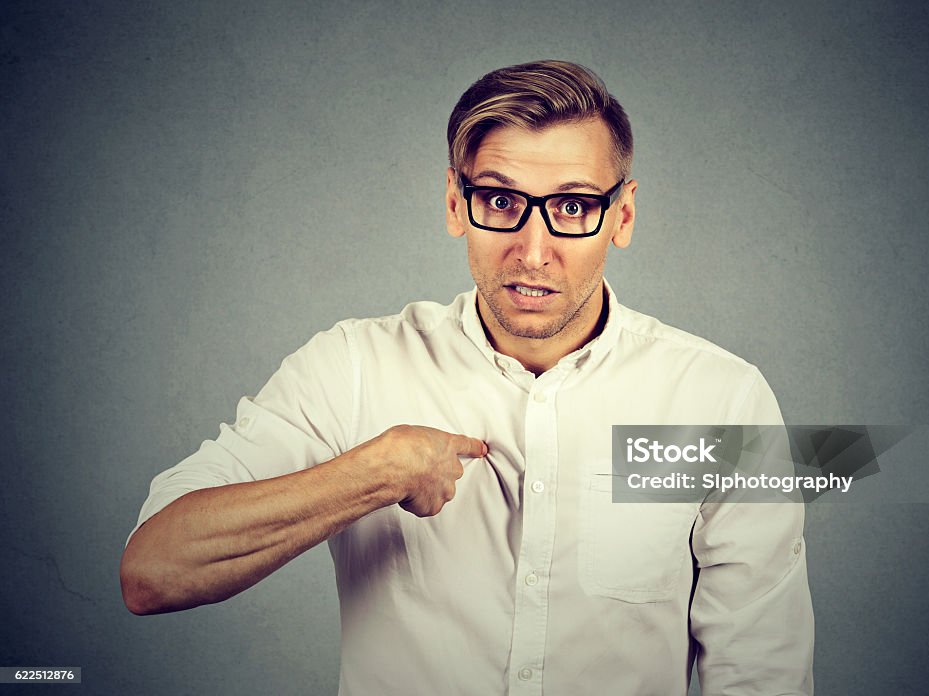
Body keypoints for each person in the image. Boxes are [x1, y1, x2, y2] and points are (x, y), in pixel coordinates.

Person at [121, 59, 814, 694]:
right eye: (502, 201)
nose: (533, 250)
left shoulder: (721, 399)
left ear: (621, 215)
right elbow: (153, 572)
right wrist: (369, 475)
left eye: (572, 206)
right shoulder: (352, 368)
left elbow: (760, 671)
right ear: (457, 202)